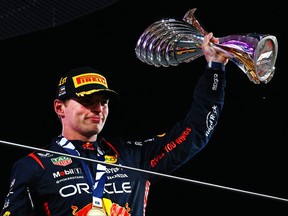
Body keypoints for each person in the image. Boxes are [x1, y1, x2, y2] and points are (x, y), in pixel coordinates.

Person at [1, 32, 230, 216]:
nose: (98, 108)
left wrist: (215, 69)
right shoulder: (34, 166)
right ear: (60, 108)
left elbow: (196, 132)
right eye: (86, 101)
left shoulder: (132, 156)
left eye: (103, 102)